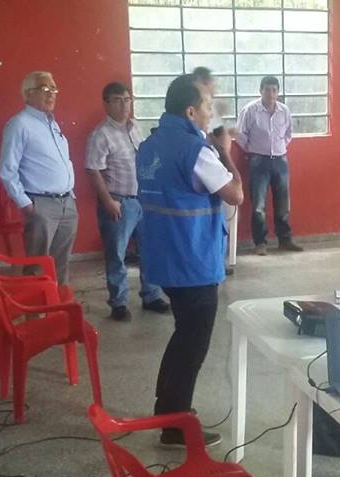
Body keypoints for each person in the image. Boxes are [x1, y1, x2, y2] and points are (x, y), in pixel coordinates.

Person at [137, 74, 244, 447]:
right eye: (208, 106)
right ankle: (174, 427)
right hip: (193, 261)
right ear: (190, 111)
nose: (211, 112)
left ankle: (168, 409)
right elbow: (235, 194)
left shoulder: (149, 145)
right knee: (192, 344)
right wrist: (227, 151)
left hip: (163, 258)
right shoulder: (195, 151)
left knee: (183, 336)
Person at [85, 82, 169, 322]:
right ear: (106, 104)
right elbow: (93, 171)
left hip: (142, 200)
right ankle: (119, 303)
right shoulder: (100, 134)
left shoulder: (136, 128)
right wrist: (108, 201)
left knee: (149, 250)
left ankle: (151, 295)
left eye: (127, 99)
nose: (124, 104)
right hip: (118, 202)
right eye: (117, 100)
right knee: (117, 255)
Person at [0, 71, 77, 285]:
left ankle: (57, 311)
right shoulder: (19, 124)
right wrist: (26, 204)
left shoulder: (52, 123)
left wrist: (70, 195)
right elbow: (7, 170)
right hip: (41, 204)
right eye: (45, 89)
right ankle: (36, 313)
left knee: (61, 264)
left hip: (67, 202)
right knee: (37, 266)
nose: (51, 93)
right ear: (28, 94)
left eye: (54, 89)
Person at [236, 75, 302, 255]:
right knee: (258, 206)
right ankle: (260, 243)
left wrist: (279, 148)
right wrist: (253, 149)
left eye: (274, 90)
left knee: (283, 203)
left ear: (278, 92)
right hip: (259, 161)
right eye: (267, 89)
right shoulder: (250, 110)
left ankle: (285, 240)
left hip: (281, 160)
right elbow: (240, 135)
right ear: (260, 91)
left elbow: (288, 133)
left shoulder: (284, 111)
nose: (271, 94)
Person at [192, 66, 238, 276]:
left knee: (220, 222)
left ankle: (220, 260)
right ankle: (215, 262)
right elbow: (236, 195)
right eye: (211, 82)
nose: (215, 86)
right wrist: (223, 151)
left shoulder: (212, 109)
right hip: (213, 172)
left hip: (218, 170)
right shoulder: (197, 144)